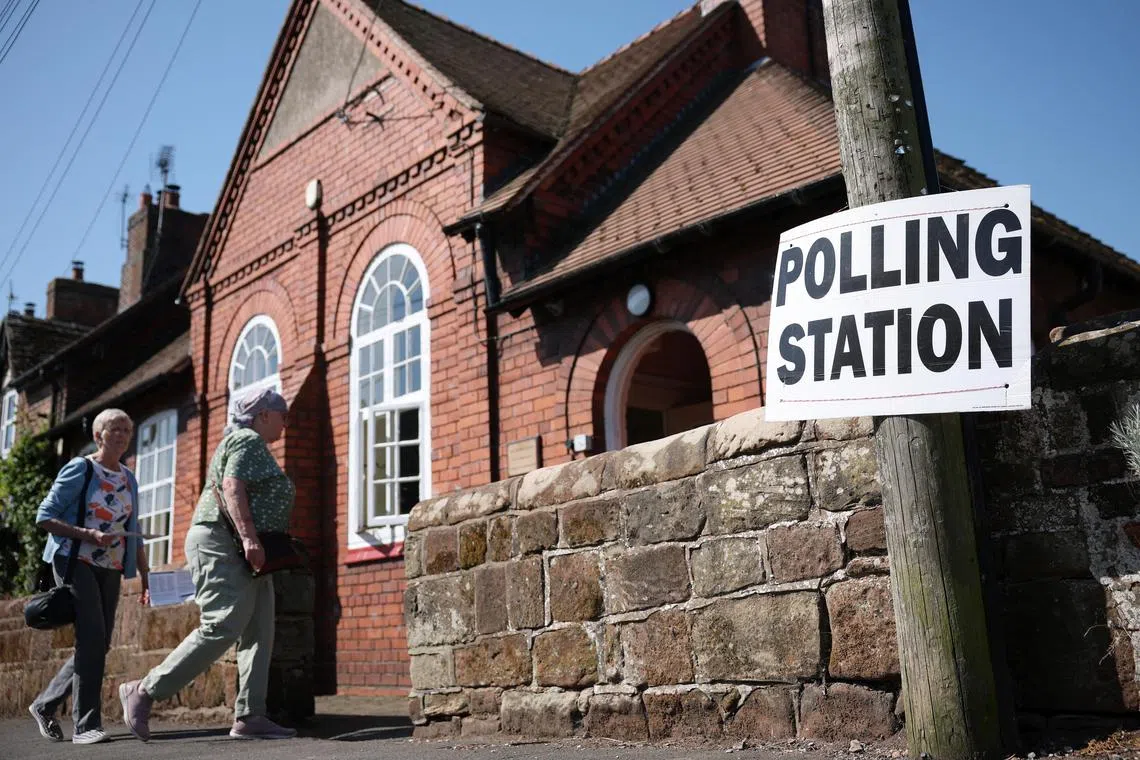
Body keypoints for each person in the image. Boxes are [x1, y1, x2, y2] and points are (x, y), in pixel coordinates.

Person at [120, 386, 297, 741]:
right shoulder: (247, 440)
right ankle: (143, 690)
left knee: (259, 631)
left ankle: (250, 715)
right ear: (263, 415)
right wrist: (249, 538)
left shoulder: (251, 443)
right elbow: (232, 487)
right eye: (283, 415)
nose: (286, 423)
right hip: (225, 541)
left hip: (246, 548)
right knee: (223, 624)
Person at [29, 408, 150, 745]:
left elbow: (132, 528)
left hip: (110, 567)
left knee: (99, 642)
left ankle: (44, 704)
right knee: (93, 639)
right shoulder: (80, 469)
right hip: (74, 559)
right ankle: (86, 725)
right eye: (116, 429)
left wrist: (146, 573)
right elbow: (44, 516)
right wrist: (87, 534)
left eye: (127, 429)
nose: (124, 435)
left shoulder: (129, 477)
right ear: (99, 435)